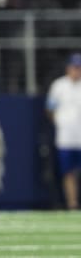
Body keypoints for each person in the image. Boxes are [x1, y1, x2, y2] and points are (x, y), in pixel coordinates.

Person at [46, 53, 81, 210]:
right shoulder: (59, 86)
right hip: (65, 138)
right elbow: (50, 109)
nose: (77, 71)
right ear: (68, 68)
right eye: (74, 67)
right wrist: (60, 122)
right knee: (68, 173)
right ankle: (72, 204)